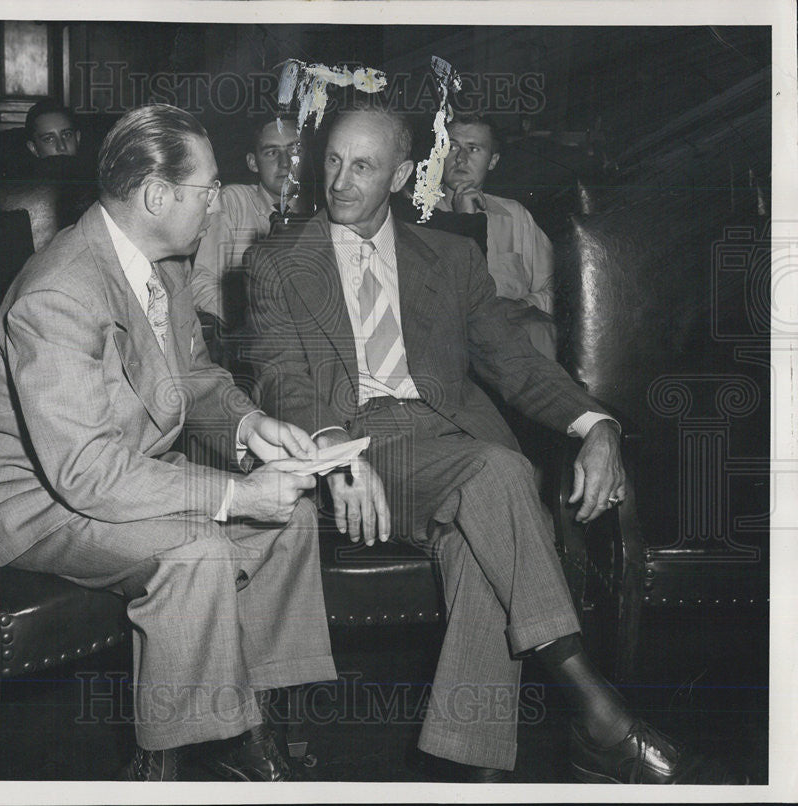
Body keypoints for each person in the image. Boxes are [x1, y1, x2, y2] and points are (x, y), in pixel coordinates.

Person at [245, 105, 743, 784]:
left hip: (452, 444)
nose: (339, 180)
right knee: (502, 473)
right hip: (360, 447)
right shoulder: (277, 259)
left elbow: (516, 363)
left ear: (401, 174)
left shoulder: (450, 256)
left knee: (482, 554)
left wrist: (597, 424)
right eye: (332, 159)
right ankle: (598, 713)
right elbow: (280, 377)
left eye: (362, 165)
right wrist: (333, 447)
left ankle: (472, 775)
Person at [0, 104, 337, 782]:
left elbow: (192, 378)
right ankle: (160, 762)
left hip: (121, 472)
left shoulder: (159, 264)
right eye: (209, 188)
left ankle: (250, 724)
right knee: (196, 548)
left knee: (293, 520)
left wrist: (252, 428)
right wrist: (236, 492)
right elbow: (86, 473)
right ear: (157, 196)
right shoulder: (60, 292)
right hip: (31, 500)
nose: (218, 201)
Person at [398, 114, 555, 358]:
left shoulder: (515, 216)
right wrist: (466, 222)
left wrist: (521, 305)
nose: (461, 158)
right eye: (451, 147)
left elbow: (555, 289)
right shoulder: (416, 218)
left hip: (519, 347)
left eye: (474, 148)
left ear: (492, 161)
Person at [189, 116, 307, 327]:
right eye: (272, 152)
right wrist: (258, 323)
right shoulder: (233, 202)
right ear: (253, 163)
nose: (285, 163)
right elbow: (201, 282)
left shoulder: (323, 215)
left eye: (293, 150)